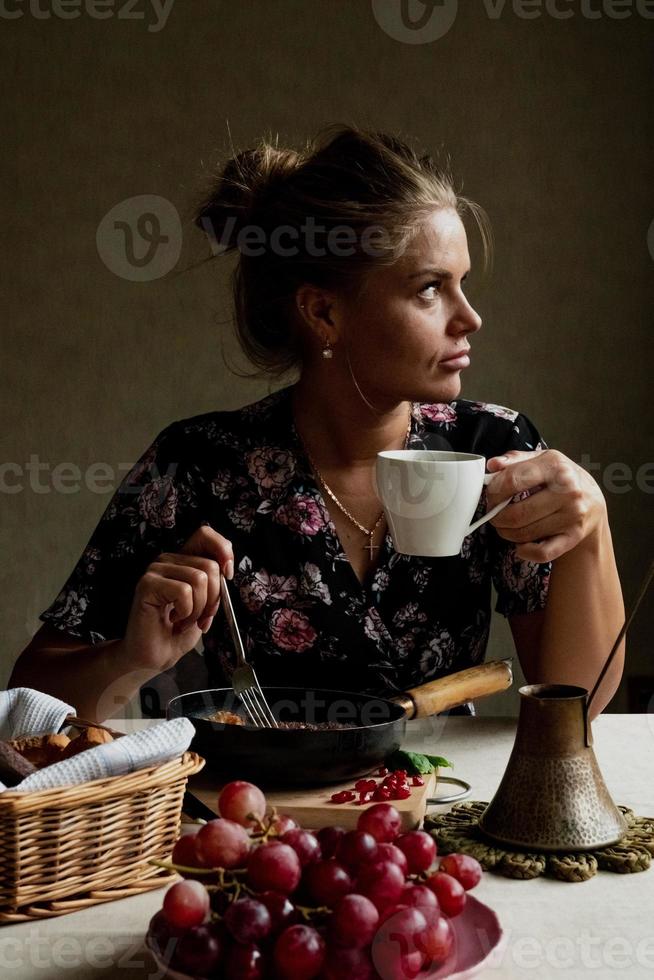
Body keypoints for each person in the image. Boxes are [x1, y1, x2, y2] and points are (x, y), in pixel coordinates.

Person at [10, 125, 625, 723]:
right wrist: (132, 658)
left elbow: (578, 703)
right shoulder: (199, 462)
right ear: (324, 312)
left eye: (462, 285)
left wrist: (590, 526)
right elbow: (31, 705)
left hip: (442, 801)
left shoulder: (493, 450)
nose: (471, 318)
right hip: (261, 811)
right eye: (431, 289)